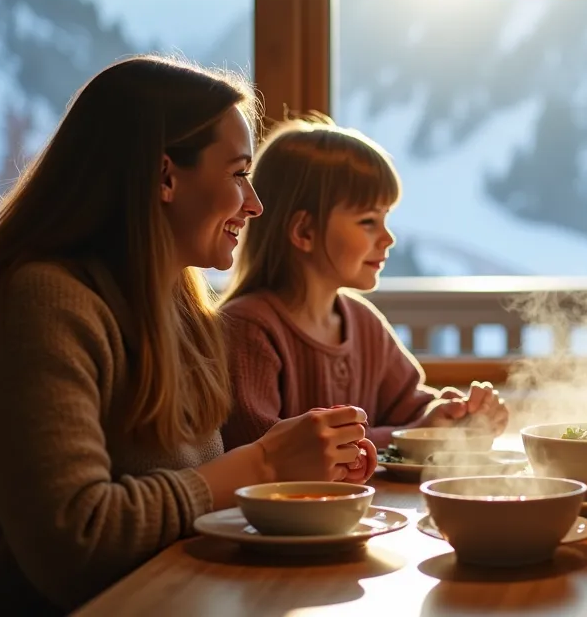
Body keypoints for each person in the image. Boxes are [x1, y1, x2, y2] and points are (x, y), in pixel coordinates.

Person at [0, 56, 375, 616]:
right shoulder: (36, 303)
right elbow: (78, 542)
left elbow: (182, 506)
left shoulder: (181, 308)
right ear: (165, 177)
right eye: (238, 173)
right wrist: (262, 467)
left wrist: (283, 481)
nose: (255, 203)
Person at [217, 117, 508, 451]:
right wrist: (412, 435)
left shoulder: (363, 322)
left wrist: (458, 415)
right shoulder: (248, 330)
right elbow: (264, 454)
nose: (388, 238)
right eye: (368, 221)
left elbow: (412, 410)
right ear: (304, 232)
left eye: (386, 219)